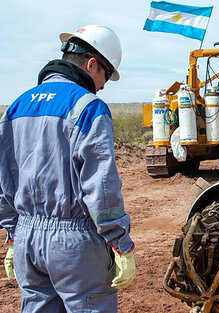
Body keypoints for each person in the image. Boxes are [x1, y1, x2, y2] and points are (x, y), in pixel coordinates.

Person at [0, 25, 136, 312]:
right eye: (105, 77)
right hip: (74, 245)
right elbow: (101, 186)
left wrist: (12, 234)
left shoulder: (15, 108)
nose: (102, 86)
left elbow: (4, 181)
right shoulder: (88, 107)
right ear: (91, 64)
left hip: (27, 242)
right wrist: (120, 241)